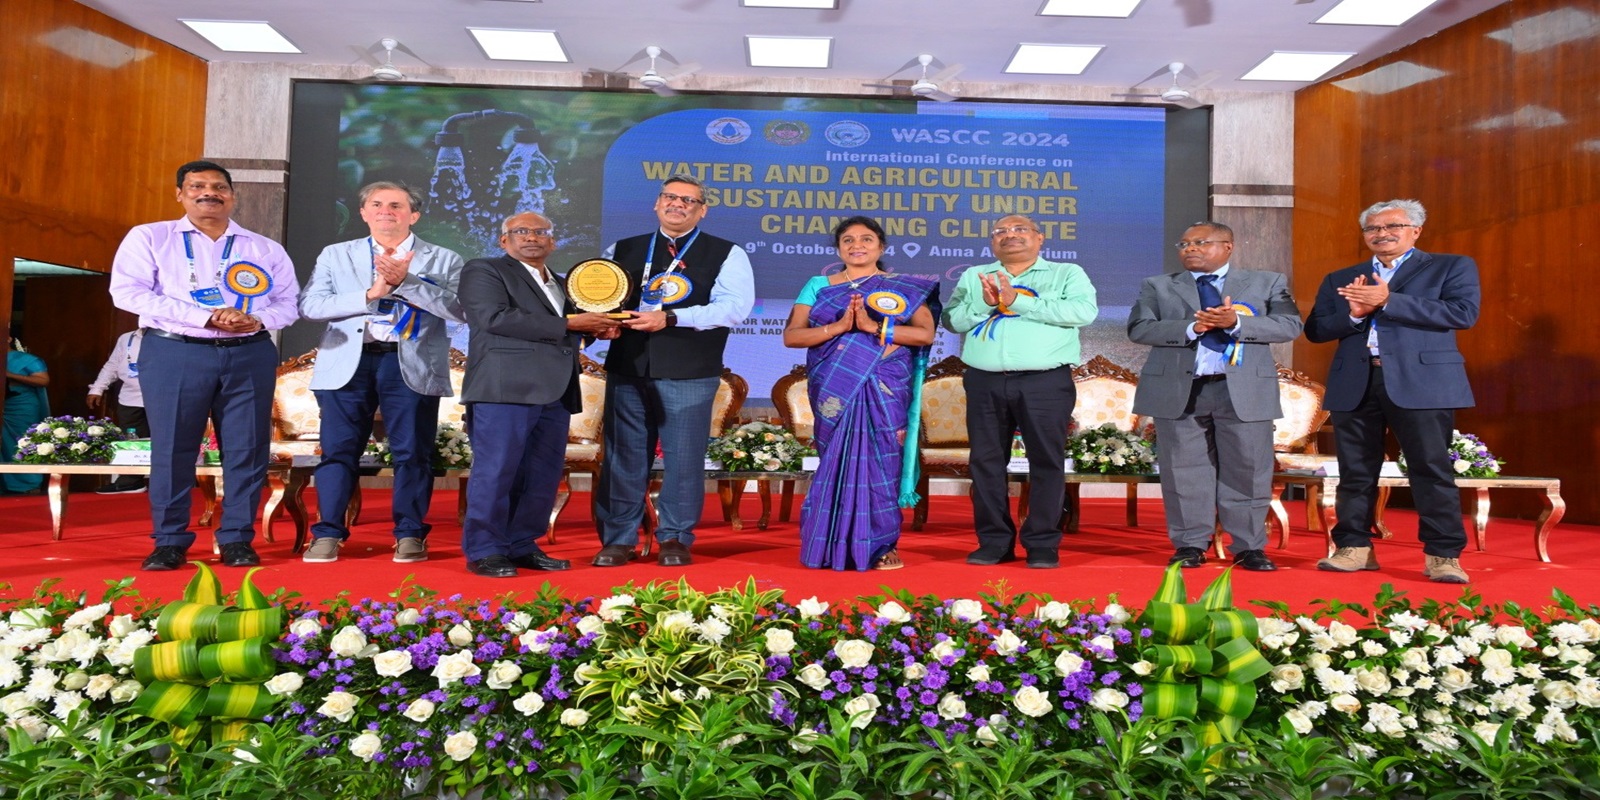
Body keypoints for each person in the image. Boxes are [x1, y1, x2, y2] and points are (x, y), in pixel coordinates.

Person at [109, 160, 300, 571]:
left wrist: (258, 319)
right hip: (175, 351)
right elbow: (127, 293)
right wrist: (204, 317)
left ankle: (236, 538)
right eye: (197, 186)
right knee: (173, 449)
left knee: (248, 449)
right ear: (180, 194)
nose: (208, 192)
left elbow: (289, 303)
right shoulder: (150, 237)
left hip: (249, 352)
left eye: (218, 186)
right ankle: (169, 541)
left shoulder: (264, 248)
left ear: (232, 195)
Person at [1304, 199, 1479, 584]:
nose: (1382, 234)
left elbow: (1462, 314)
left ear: (1416, 230)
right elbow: (1316, 329)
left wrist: (1389, 300)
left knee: (1430, 469)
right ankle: (1354, 548)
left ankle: (1443, 555)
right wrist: (1354, 315)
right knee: (1355, 471)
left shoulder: (1451, 266)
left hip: (1423, 384)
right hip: (1357, 382)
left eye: (1392, 227)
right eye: (1372, 229)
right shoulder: (1342, 276)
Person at [298, 181, 466, 564]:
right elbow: (311, 305)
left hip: (409, 361)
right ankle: (327, 534)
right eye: (376, 204)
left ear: (414, 214)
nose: (385, 211)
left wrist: (408, 283)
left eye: (396, 205)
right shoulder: (336, 254)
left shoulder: (444, 258)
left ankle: (409, 534)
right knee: (338, 452)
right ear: (363, 213)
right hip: (348, 362)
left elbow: (460, 310)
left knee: (413, 453)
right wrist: (369, 295)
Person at [591, 175, 755, 568]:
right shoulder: (621, 249)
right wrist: (603, 321)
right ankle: (618, 539)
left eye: (688, 200)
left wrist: (672, 318)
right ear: (656, 203)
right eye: (670, 197)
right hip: (628, 366)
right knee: (623, 457)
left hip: (689, 369)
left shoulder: (726, 253)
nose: (677, 204)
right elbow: (602, 297)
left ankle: (675, 538)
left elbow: (734, 308)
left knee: (683, 459)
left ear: (702, 210)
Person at [1128, 222, 1303, 571]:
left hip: (1243, 389)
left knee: (1248, 469)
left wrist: (1235, 323)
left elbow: (1289, 325)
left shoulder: (1266, 282)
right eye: (1184, 243)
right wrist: (1194, 327)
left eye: (1200, 242)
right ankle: (1190, 544)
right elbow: (1139, 328)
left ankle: (1249, 548)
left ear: (1228, 246)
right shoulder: (1158, 286)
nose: (1189, 249)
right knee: (1183, 471)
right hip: (1179, 391)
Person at [457, 212, 621, 577]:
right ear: (504, 240)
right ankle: (485, 549)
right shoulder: (484, 270)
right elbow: (494, 319)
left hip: (556, 390)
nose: (532, 237)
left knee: (542, 474)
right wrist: (569, 324)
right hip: (504, 390)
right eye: (521, 231)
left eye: (541, 232)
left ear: (553, 241)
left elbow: (572, 327)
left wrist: (600, 330)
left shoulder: (564, 283)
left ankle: (521, 544)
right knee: (496, 471)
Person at [782, 216, 939, 571]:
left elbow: (924, 335)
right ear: (838, 248)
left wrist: (873, 327)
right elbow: (793, 336)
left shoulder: (902, 287)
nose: (857, 245)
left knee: (882, 462)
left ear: (881, 247)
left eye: (866, 239)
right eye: (848, 240)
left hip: (884, 384)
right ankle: (827, 544)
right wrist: (840, 326)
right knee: (836, 462)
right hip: (836, 385)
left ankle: (883, 545)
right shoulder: (818, 285)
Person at [941, 214, 1098, 569]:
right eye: (1000, 232)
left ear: (1040, 238)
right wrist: (984, 302)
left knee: (1046, 460)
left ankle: (1042, 542)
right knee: (984, 462)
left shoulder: (1066, 273)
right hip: (985, 379)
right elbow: (952, 320)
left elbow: (1083, 312)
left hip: (1044, 381)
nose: (1009, 236)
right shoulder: (975, 275)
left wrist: (1017, 300)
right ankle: (994, 542)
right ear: (991, 242)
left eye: (1019, 230)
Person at [86, 329, 148, 493]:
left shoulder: (172, 336)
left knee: (165, 440)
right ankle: (131, 481)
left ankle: (165, 483)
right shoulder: (127, 338)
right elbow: (113, 364)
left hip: (163, 397)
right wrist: (97, 388)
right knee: (131, 440)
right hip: (130, 398)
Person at [3, 330, 50, 495]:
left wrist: (8, 375)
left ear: (8, 338)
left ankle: (28, 483)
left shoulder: (27, 359)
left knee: (22, 441)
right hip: (3, 404)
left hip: (21, 405)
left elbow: (43, 380)